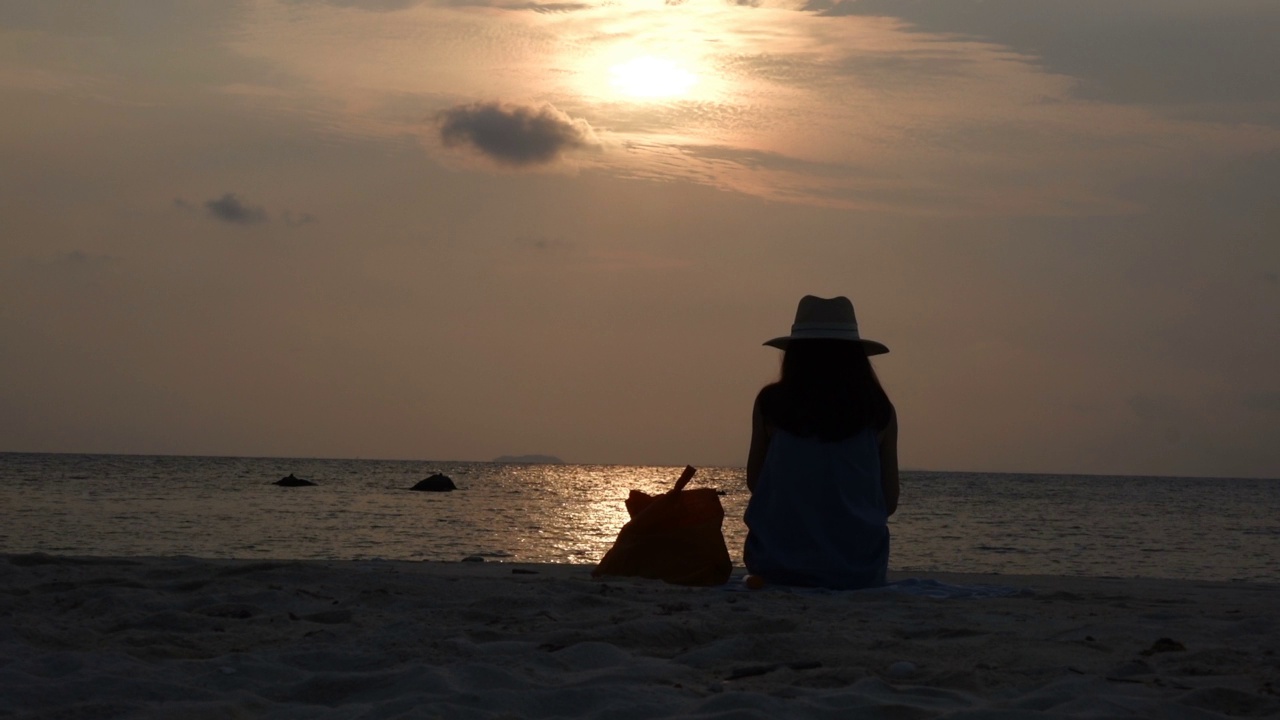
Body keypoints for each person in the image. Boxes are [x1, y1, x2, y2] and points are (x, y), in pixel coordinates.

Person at [743, 295, 899, 589]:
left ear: (794, 354)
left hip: (777, 565)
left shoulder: (772, 404)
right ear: (857, 358)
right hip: (858, 571)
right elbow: (888, 502)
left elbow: (756, 482)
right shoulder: (878, 410)